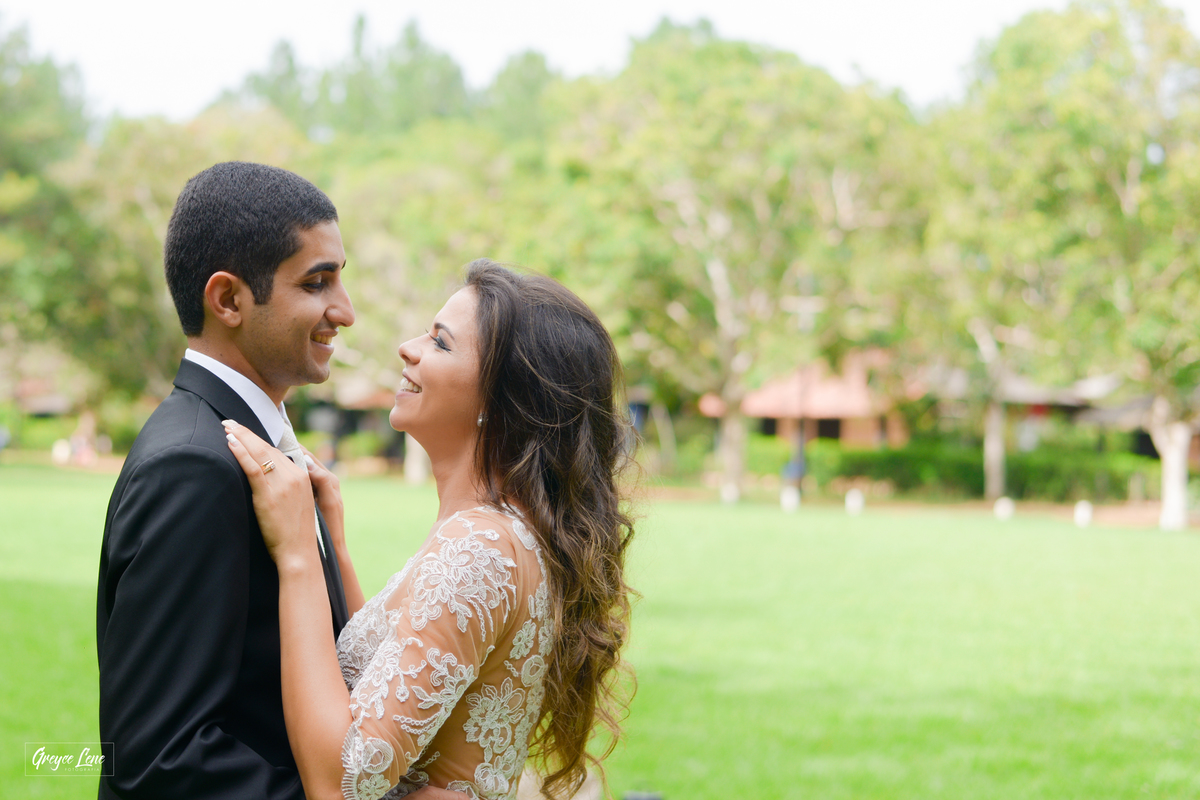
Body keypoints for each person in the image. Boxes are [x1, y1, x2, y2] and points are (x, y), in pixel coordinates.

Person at [96, 162, 460, 800]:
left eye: (339, 280)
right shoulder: (195, 466)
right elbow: (159, 758)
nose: (344, 312)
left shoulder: (262, 451)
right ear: (229, 300)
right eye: (317, 283)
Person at [222, 260, 635, 800]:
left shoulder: (480, 549)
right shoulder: (499, 535)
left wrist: (298, 551)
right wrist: (336, 548)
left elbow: (342, 781)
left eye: (439, 343)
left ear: (499, 400)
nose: (408, 348)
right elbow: (411, 671)